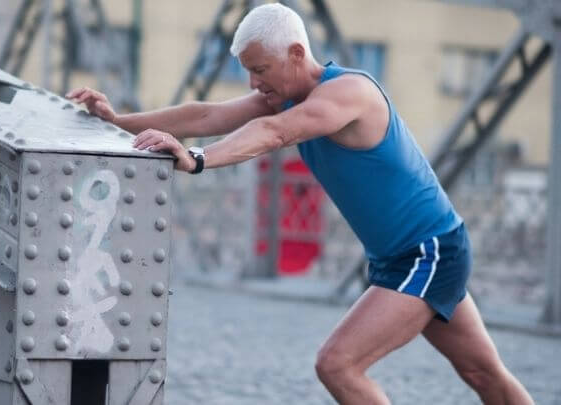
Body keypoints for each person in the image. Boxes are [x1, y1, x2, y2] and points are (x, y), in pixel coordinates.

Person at [67, 3, 534, 404]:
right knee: (482, 374)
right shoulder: (283, 95)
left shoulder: (350, 93)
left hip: (430, 252)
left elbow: (275, 134)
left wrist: (197, 158)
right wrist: (118, 121)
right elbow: (205, 113)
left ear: (295, 53)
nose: (253, 82)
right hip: (407, 256)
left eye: (260, 69)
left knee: (338, 364)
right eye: (248, 71)